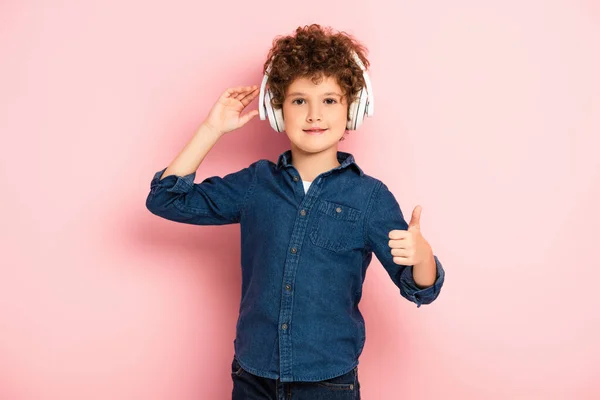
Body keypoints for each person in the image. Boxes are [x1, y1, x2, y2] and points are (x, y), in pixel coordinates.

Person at [146, 23, 445, 400]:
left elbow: (421, 289)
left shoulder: (370, 198)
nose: (314, 114)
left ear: (354, 108)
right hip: (253, 377)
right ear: (277, 109)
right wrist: (212, 128)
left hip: (328, 383)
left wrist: (423, 256)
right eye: (299, 100)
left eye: (330, 100)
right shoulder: (255, 184)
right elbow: (166, 199)